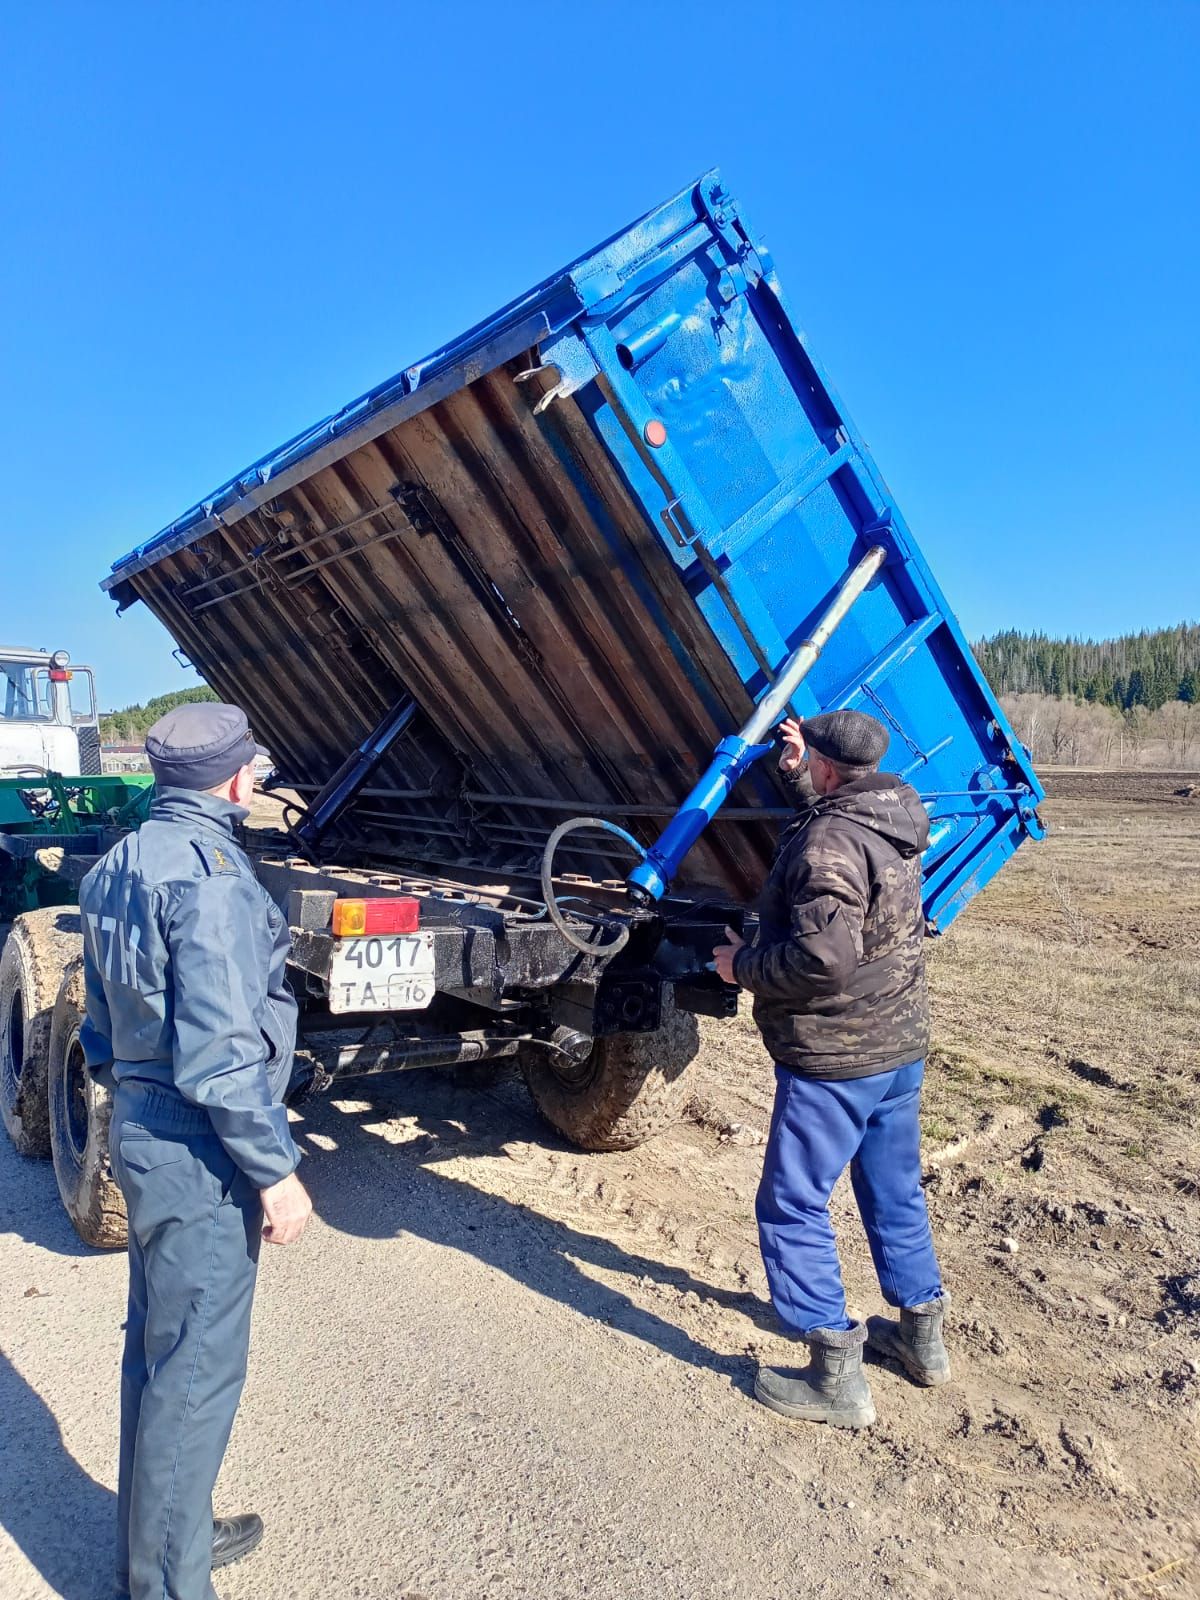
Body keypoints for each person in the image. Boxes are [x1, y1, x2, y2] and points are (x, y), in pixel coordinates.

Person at [79, 701, 312, 1600]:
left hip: (145, 1123)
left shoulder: (118, 865)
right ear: (234, 780)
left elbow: (100, 1024)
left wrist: (131, 1090)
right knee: (195, 1369)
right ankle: (168, 1584)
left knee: (160, 1352)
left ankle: (167, 1539)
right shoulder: (214, 880)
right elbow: (221, 1054)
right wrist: (276, 1173)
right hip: (197, 1140)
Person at [712, 709, 948, 1430]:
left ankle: (834, 1375)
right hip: (896, 1047)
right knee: (893, 1188)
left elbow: (823, 958)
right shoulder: (894, 815)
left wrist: (741, 966)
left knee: (792, 1200)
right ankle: (921, 1339)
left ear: (827, 766)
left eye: (806, 756)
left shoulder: (831, 842)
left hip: (836, 1056)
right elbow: (839, 847)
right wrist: (796, 766)